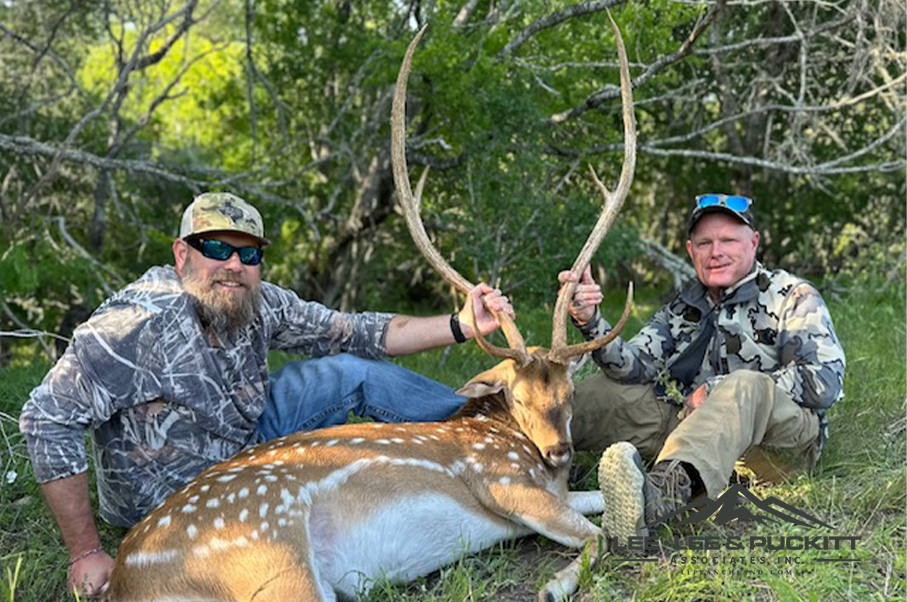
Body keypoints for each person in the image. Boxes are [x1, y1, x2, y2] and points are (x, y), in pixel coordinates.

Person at [18, 192, 514, 597]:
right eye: (217, 248)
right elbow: (46, 418)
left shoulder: (260, 301)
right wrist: (85, 551)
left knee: (352, 371)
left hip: (246, 442)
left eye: (249, 253)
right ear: (181, 253)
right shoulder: (135, 326)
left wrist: (461, 324)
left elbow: (357, 331)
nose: (234, 265)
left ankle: (495, 434)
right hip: (172, 505)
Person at [559, 193, 846, 541]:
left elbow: (824, 382)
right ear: (690, 250)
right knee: (602, 392)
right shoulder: (685, 306)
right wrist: (590, 321)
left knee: (745, 386)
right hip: (698, 431)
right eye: (705, 242)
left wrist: (716, 389)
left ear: (753, 243)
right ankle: (524, 454)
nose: (716, 252)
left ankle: (657, 501)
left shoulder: (792, 296)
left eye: (728, 240)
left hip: (778, 450)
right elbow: (631, 367)